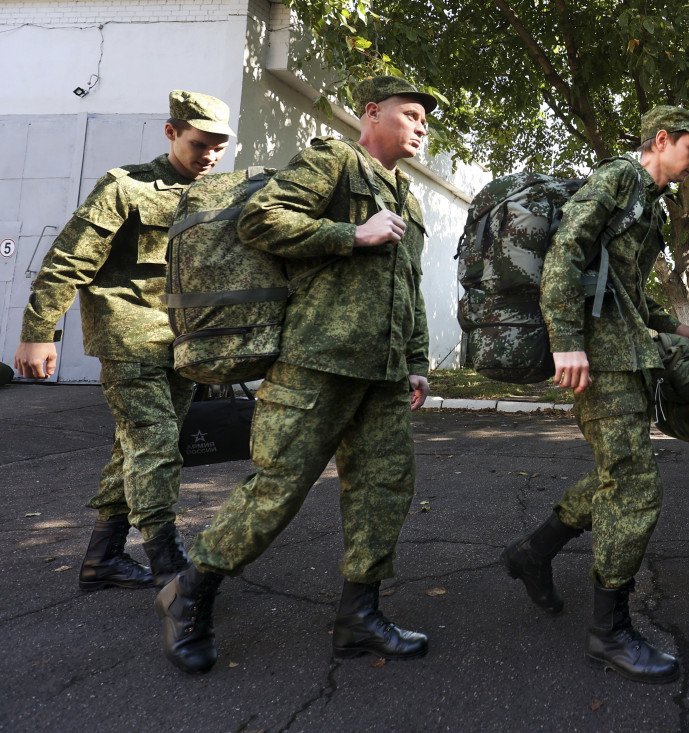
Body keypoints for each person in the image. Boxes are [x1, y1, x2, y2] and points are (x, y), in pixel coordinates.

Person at [155, 76, 435, 675]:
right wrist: (350, 234)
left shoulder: (405, 196)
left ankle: (360, 615)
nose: (420, 127)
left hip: (382, 376)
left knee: (384, 491)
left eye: (424, 120)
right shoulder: (333, 160)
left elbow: (405, 287)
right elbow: (261, 219)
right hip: (316, 362)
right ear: (372, 114)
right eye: (410, 115)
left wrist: (415, 361)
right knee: (277, 489)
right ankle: (190, 593)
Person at [501, 106, 689, 684]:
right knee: (636, 483)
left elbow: (622, 288)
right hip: (599, 358)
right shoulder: (619, 176)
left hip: (627, 354)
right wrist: (565, 340)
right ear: (662, 140)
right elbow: (566, 250)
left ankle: (533, 553)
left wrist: (674, 327)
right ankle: (609, 632)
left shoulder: (648, 202)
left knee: (617, 474)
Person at [13, 90, 233, 591]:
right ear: (171, 132)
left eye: (219, 147)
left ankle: (102, 559)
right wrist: (38, 334)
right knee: (155, 445)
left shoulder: (212, 194)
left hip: (183, 341)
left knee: (134, 447)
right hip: (128, 336)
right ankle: (168, 563)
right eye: (201, 144)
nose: (210, 156)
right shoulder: (124, 186)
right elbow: (68, 261)